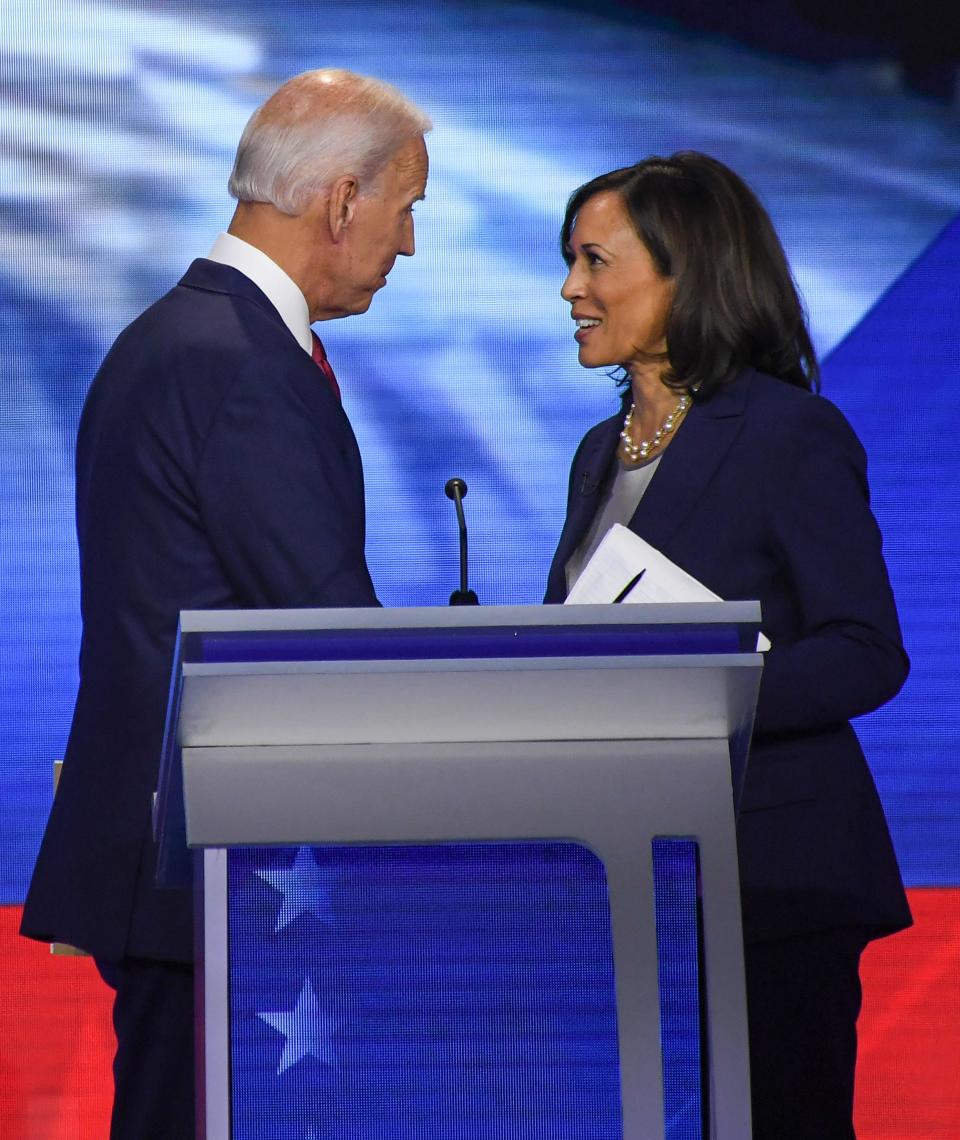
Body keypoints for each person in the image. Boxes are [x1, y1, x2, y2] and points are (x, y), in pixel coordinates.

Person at [20, 68, 430, 1139]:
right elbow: (326, 624)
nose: (410, 245)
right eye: (406, 209)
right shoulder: (238, 361)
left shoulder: (180, 334)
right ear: (342, 199)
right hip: (228, 873)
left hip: (202, 865)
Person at [545, 152, 910, 1139]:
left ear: (685, 272)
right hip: (637, 878)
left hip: (773, 877)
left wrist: (698, 694)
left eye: (594, 261)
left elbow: (866, 648)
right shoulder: (599, 452)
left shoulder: (789, 434)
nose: (571, 289)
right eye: (570, 263)